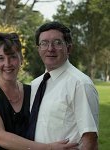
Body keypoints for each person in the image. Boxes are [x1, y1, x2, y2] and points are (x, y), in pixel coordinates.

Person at [0, 32, 78, 150]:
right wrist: (49, 148)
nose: (7, 64)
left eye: (12, 57)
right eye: (1, 58)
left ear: (21, 59)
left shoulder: (32, 91)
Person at [30, 21, 99, 150]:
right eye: (44, 43)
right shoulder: (35, 85)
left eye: (57, 42)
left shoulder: (80, 84)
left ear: (69, 48)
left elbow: (90, 138)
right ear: (38, 49)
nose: (50, 48)